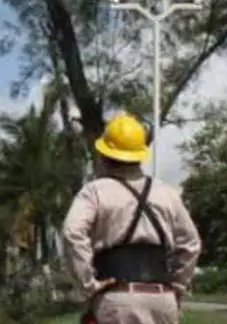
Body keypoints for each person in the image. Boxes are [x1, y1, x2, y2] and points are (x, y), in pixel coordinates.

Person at [62, 113, 202, 324]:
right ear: (140, 155)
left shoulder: (94, 192)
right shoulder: (167, 193)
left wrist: (88, 285)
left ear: (104, 155)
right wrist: (178, 286)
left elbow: (72, 233)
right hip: (162, 298)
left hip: (117, 298)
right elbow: (191, 244)